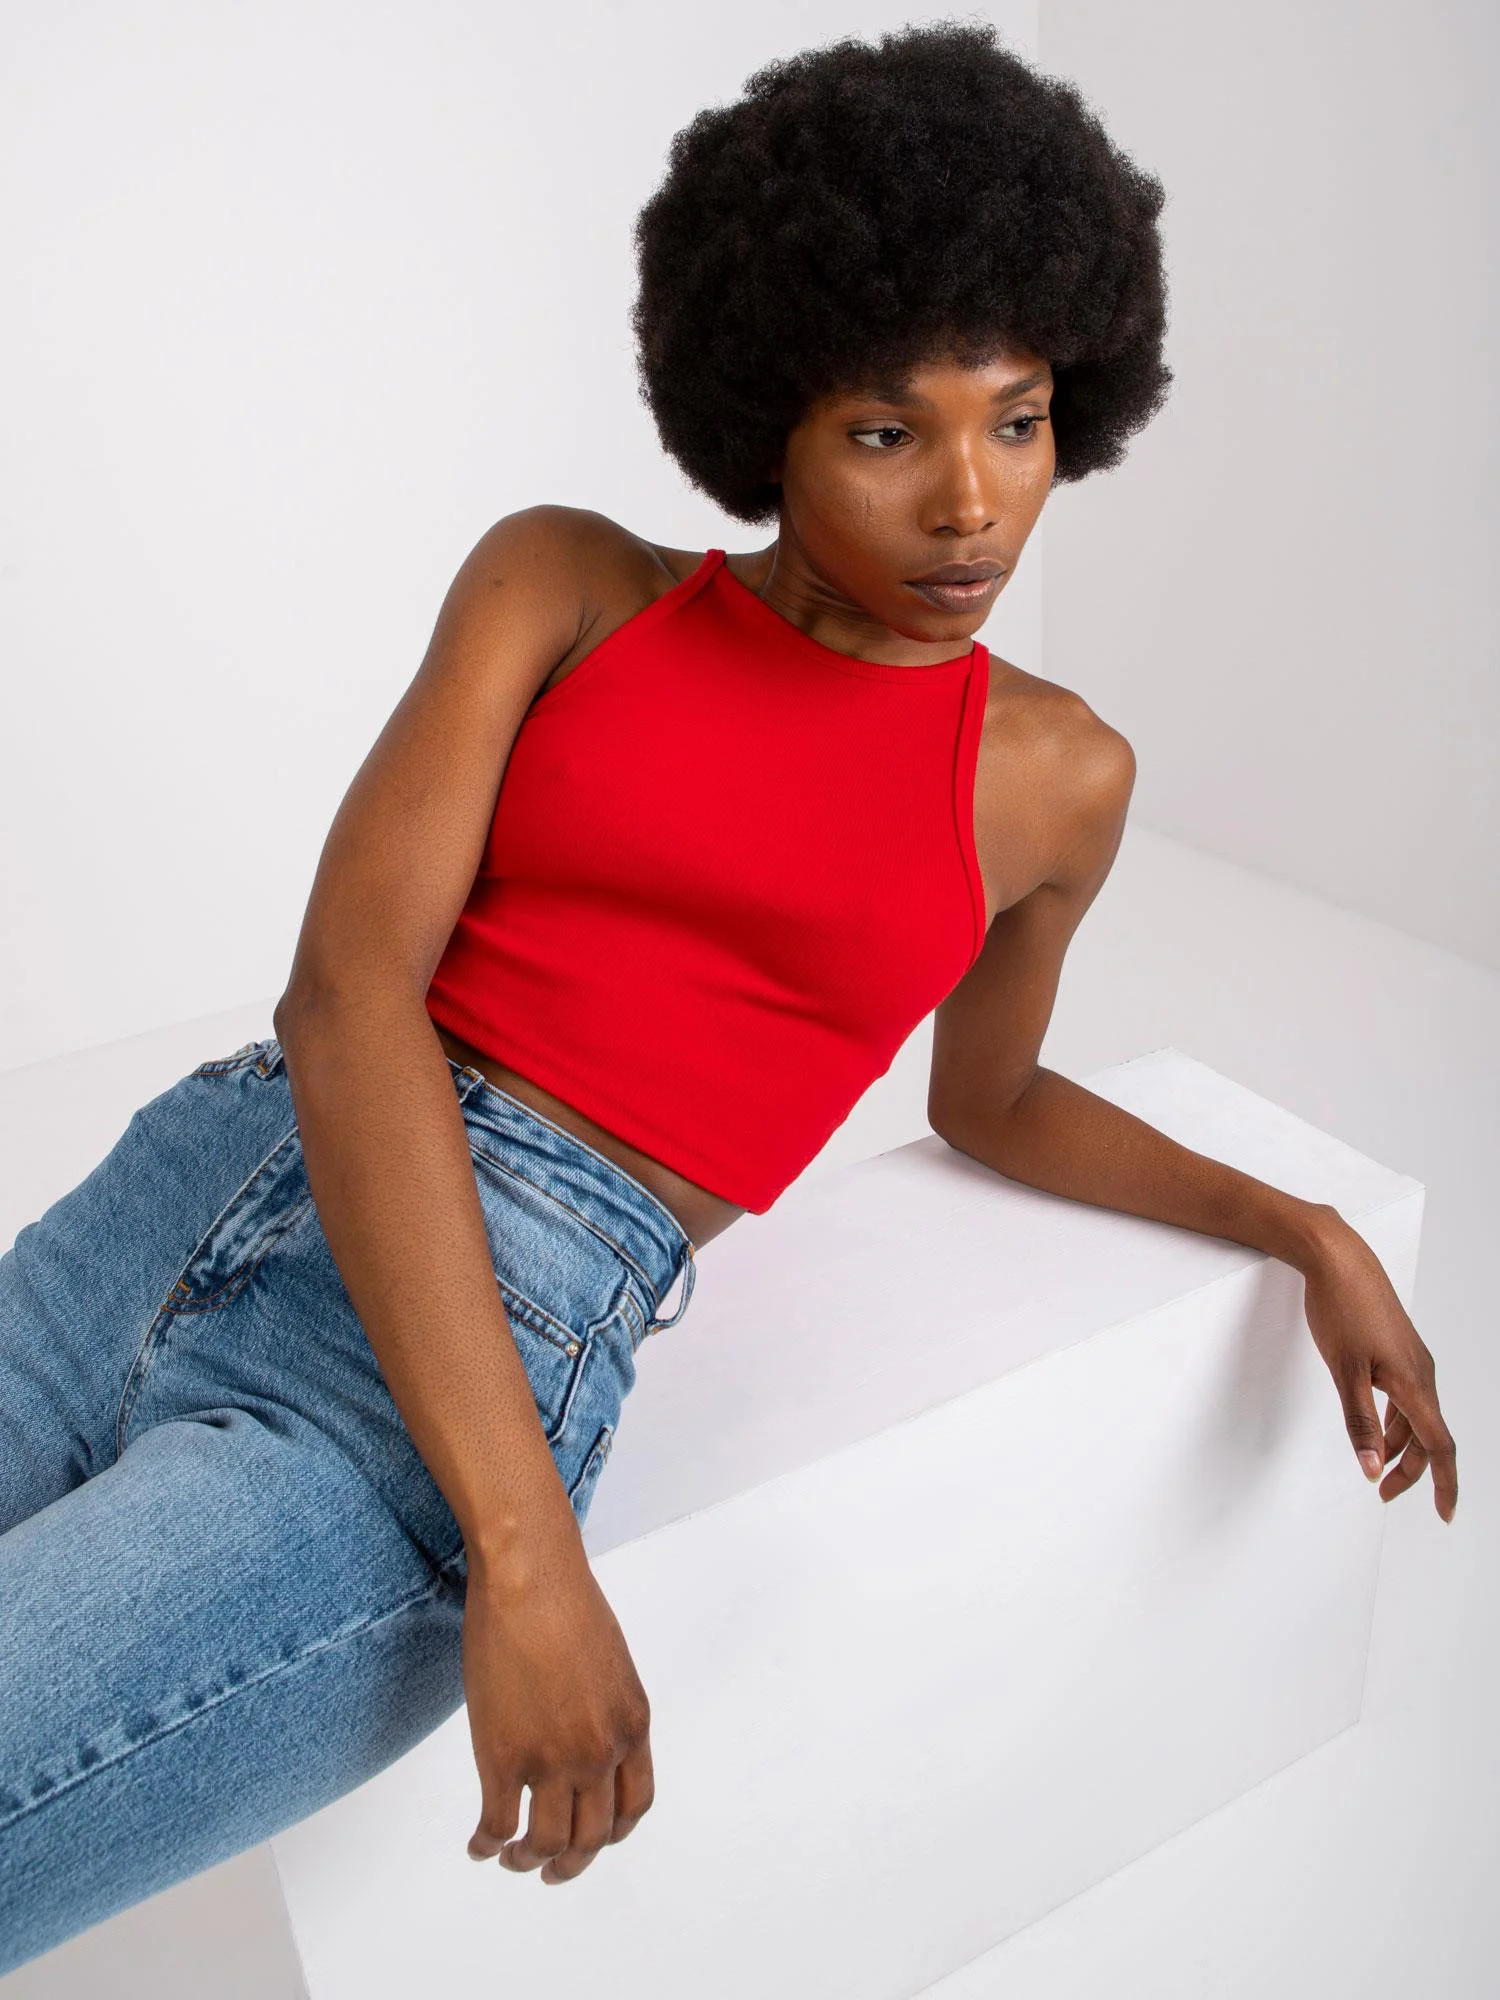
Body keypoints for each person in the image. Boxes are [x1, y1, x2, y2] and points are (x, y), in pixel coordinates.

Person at [0, 19, 1456, 1972]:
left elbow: (992, 1097)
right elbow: (350, 999)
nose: (971, 504)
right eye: (888, 432)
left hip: (442, 1361)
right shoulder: (563, 583)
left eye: (1019, 421)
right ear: (766, 414)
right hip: (203, 1180)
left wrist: (1308, 1229)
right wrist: (534, 1553)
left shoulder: (1055, 777)